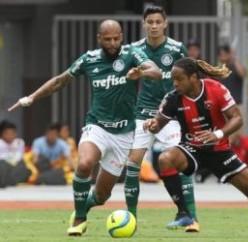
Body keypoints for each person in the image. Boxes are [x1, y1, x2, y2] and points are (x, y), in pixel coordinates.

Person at [8, 19, 161, 236]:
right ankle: (79, 219)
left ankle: (85, 205)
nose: (112, 43)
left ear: (122, 36)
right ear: (99, 38)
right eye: (107, 39)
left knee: (102, 195)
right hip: (96, 126)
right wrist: (31, 97)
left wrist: (142, 73)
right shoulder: (89, 59)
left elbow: (156, 71)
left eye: (116, 38)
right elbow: (61, 80)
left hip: (124, 134)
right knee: (84, 164)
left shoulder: (132, 54)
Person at [143, 57, 248, 238]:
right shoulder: (172, 98)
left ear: (193, 78)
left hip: (219, 150)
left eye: (179, 79)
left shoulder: (215, 89)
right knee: (166, 159)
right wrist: (152, 123)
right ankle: (184, 213)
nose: (175, 83)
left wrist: (217, 135)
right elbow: (158, 123)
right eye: (174, 79)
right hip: (191, 149)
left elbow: (237, 118)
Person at [125, 5, 199, 232]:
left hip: (171, 114)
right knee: (132, 164)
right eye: (150, 22)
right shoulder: (135, 49)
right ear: (143, 24)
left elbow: (188, 82)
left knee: (179, 162)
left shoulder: (177, 48)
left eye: (158, 22)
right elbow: (125, 77)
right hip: (142, 113)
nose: (154, 26)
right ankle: (131, 219)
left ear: (165, 23)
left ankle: (191, 217)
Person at [0, 120, 31, 187]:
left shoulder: (19, 142)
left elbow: (20, 156)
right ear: (2, 134)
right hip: (3, 166)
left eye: (12, 133)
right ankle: (6, 180)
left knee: (26, 170)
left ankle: (7, 181)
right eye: (7, 133)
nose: (9, 136)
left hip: (15, 166)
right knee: (2, 165)